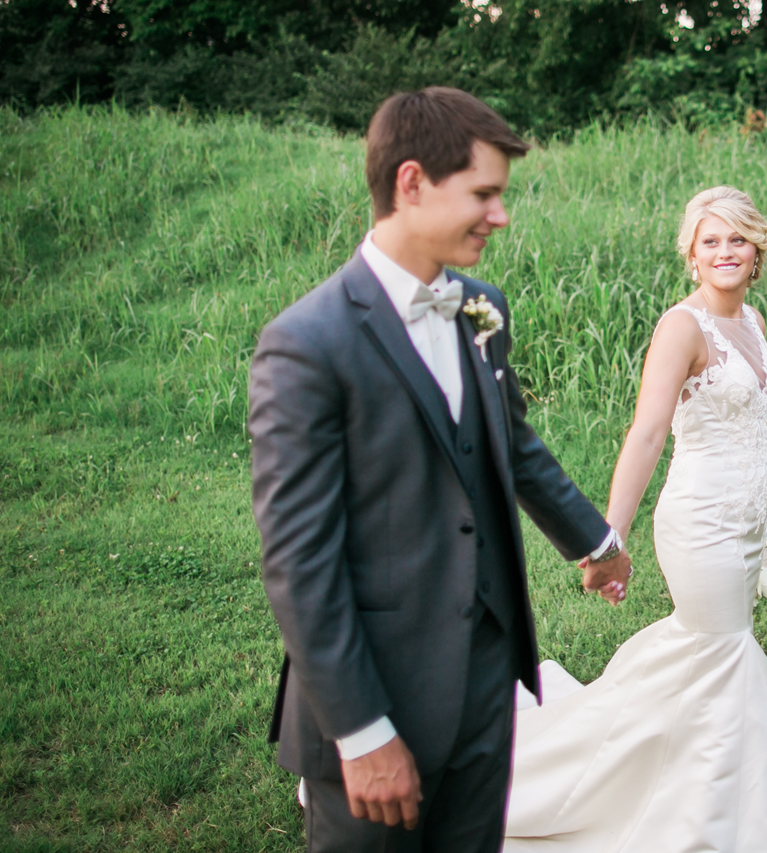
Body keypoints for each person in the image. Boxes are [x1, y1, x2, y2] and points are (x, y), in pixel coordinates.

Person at [248, 87, 633, 853]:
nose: (501, 215)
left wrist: (596, 541)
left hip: (487, 679)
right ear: (412, 182)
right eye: (484, 194)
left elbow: (512, 445)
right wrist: (361, 732)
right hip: (378, 688)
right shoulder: (305, 344)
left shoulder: (480, 308)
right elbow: (300, 560)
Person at [502, 186, 767, 852]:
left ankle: (702, 789)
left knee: (708, 657)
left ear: (757, 251)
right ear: (692, 256)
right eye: (711, 240)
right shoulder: (683, 326)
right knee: (724, 649)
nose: (725, 251)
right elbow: (646, 433)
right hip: (700, 520)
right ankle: (723, 817)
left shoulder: (750, 320)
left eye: (738, 239)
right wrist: (606, 535)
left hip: (748, 518)